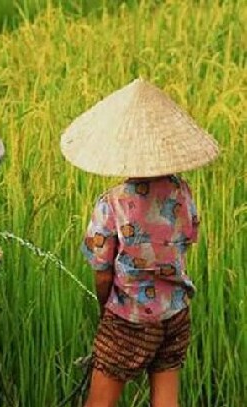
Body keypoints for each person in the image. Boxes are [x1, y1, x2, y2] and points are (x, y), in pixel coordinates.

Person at [59, 78, 219, 407]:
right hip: (174, 313)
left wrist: (106, 308)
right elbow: (189, 238)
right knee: (166, 402)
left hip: (128, 318)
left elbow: (102, 272)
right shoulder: (181, 191)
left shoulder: (112, 202)